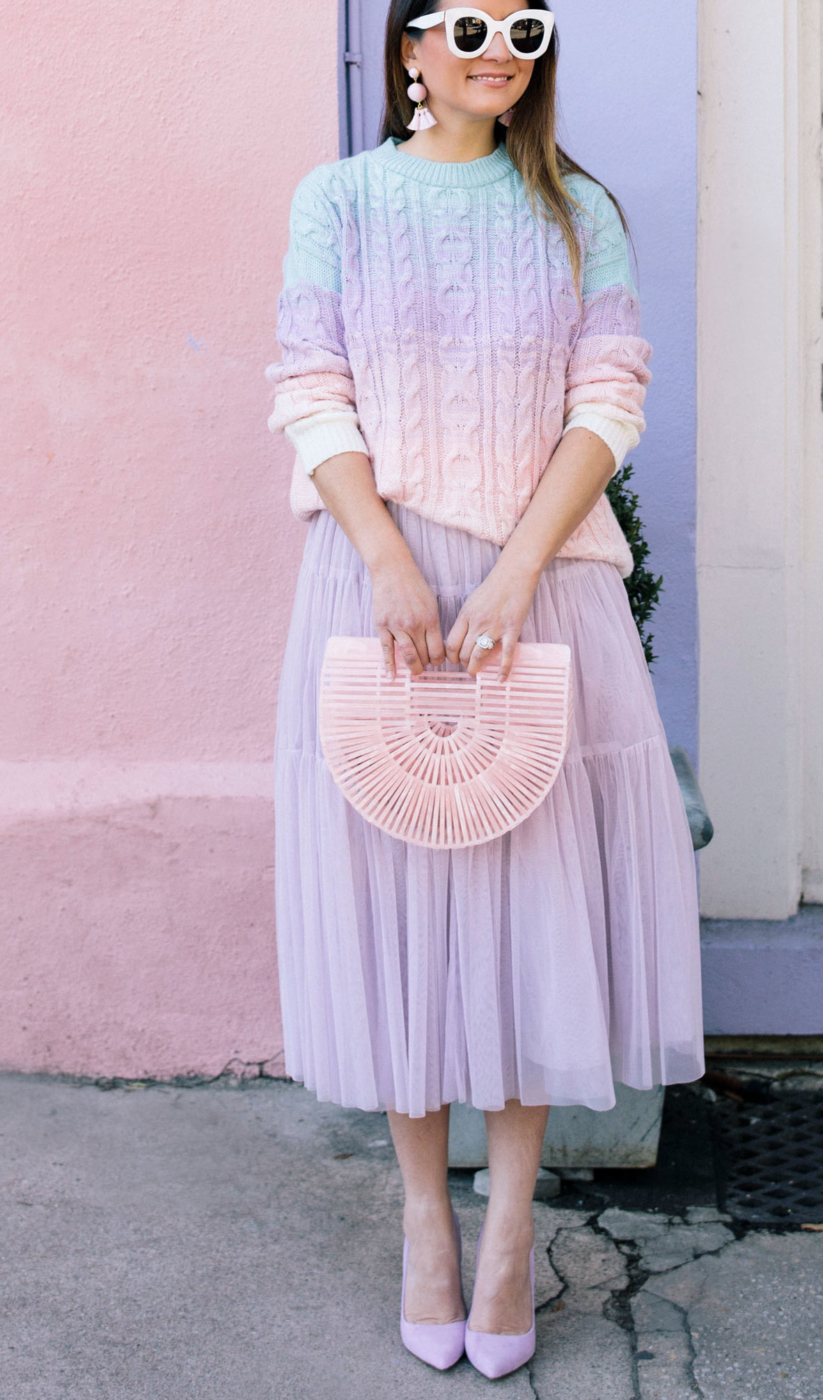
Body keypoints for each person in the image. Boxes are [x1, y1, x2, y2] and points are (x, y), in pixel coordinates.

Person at [267, 0, 704, 1379]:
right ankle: (423, 1223)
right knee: (400, 896)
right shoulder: (336, 197)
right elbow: (309, 384)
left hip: (547, 588)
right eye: (462, 25)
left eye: (523, 26)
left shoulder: (579, 207)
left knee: (526, 904)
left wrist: (514, 570)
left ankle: (508, 1228)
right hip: (375, 582)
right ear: (405, 48)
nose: (494, 49)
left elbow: (609, 394)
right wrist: (389, 557)